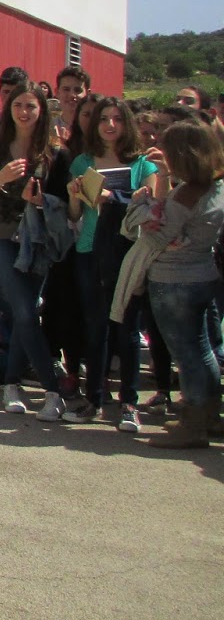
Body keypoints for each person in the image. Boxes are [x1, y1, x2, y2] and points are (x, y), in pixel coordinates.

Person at [0, 80, 73, 420]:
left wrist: (42, 201)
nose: (24, 112)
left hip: (38, 238)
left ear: (42, 110)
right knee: (26, 313)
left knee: (25, 312)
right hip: (1, 234)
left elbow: (66, 207)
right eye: (18, 105)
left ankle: (11, 383)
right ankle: (52, 391)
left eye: (31, 106)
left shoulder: (57, 153)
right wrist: (0, 179)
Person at [63, 97, 157, 428]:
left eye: (117, 118)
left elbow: (151, 209)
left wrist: (114, 197)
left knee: (127, 328)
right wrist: (74, 194)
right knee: (95, 327)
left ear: (126, 123)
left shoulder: (143, 164)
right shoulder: (83, 162)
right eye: (104, 118)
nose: (110, 125)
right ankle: (94, 398)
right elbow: (74, 214)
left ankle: (129, 402)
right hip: (89, 249)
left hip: (127, 252)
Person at [135, 122, 224, 448]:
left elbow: (158, 235)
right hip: (202, 275)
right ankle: (210, 416)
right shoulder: (215, 186)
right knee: (203, 350)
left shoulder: (186, 194)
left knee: (187, 355)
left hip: (174, 281)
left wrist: (141, 209)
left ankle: (193, 425)